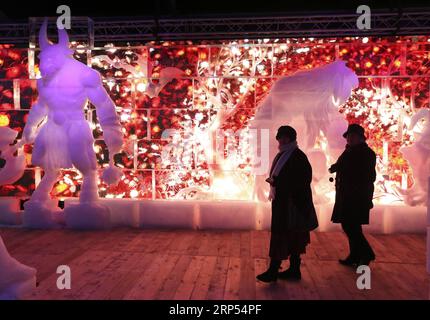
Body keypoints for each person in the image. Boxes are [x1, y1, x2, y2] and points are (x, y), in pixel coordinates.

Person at [256, 126, 318, 283]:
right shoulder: (286, 154)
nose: (281, 140)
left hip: (292, 205)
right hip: (288, 203)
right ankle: (294, 269)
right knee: (292, 236)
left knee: (283, 235)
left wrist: (278, 182)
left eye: (285, 138)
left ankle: (273, 270)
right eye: (280, 137)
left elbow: (302, 180)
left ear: (291, 139)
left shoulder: (296, 157)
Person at [329, 123, 376, 266]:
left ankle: (367, 254)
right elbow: (342, 164)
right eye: (348, 136)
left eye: (352, 136)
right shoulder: (349, 151)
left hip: (356, 197)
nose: (349, 138)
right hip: (346, 195)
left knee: (351, 227)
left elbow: (367, 176)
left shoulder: (366, 153)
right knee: (351, 226)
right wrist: (335, 168)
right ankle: (355, 255)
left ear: (361, 138)